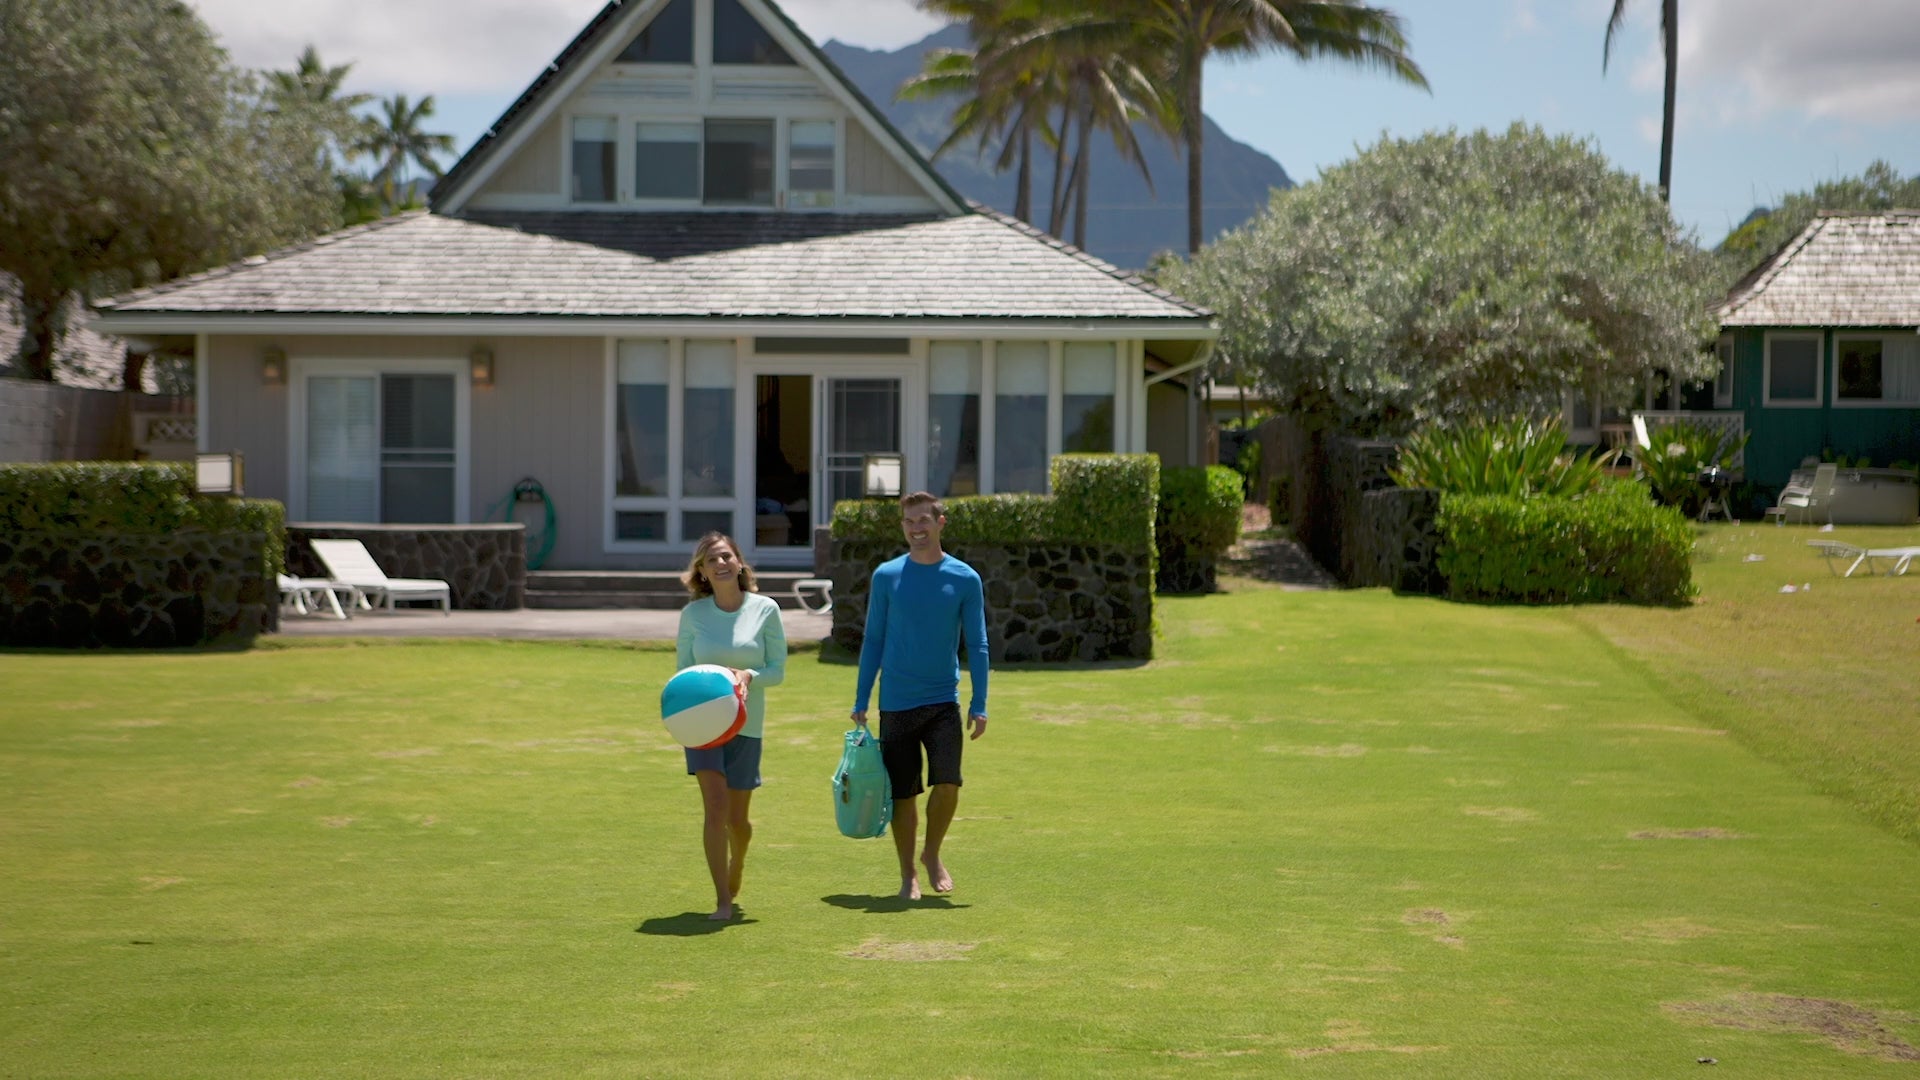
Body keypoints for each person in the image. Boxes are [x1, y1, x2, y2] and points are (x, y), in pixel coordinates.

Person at [850, 492, 989, 900]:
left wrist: (980, 702)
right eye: (909, 522)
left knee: (948, 784)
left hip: (943, 700)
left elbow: (977, 643)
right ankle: (908, 872)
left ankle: (932, 853)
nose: (916, 529)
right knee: (903, 793)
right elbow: (873, 639)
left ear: (940, 522)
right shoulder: (887, 576)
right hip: (896, 702)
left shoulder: (965, 578)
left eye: (923, 520)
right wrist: (861, 698)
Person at [676, 532, 786, 921]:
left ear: (739, 562)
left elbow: (777, 671)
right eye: (711, 560)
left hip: (746, 725)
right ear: (702, 572)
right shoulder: (693, 615)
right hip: (702, 726)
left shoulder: (766, 609)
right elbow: (682, 672)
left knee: (737, 821)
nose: (720, 564)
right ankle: (722, 899)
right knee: (715, 808)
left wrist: (750, 676)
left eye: (726, 556)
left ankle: (736, 862)